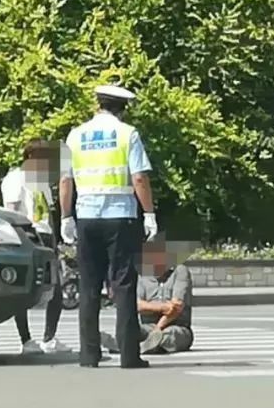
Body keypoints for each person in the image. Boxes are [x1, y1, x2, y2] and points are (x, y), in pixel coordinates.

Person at [59, 84, 158, 369]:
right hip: (121, 217)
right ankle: (129, 355)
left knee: (89, 286)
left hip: (86, 217)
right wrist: (149, 213)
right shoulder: (128, 134)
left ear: (98, 104)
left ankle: (89, 355)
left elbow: (66, 181)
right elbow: (139, 178)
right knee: (124, 285)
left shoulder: (75, 135)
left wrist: (66, 217)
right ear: (123, 108)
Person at [1, 140, 71, 355]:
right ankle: (26, 339)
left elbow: (49, 213)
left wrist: (56, 238)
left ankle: (49, 338)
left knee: (56, 288)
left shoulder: (41, 182)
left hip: (46, 235)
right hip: (28, 234)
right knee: (26, 288)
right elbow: (11, 210)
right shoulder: (15, 178)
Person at [100, 234, 194, 355]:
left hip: (176, 326)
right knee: (131, 330)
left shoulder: (180, 271)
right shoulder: (143, 274)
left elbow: (176, 307)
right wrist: (162, 307)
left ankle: (136, 346)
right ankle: (124, 343)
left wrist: (158, 329)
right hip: (148, 326)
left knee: (169, 335)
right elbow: (136, 305)